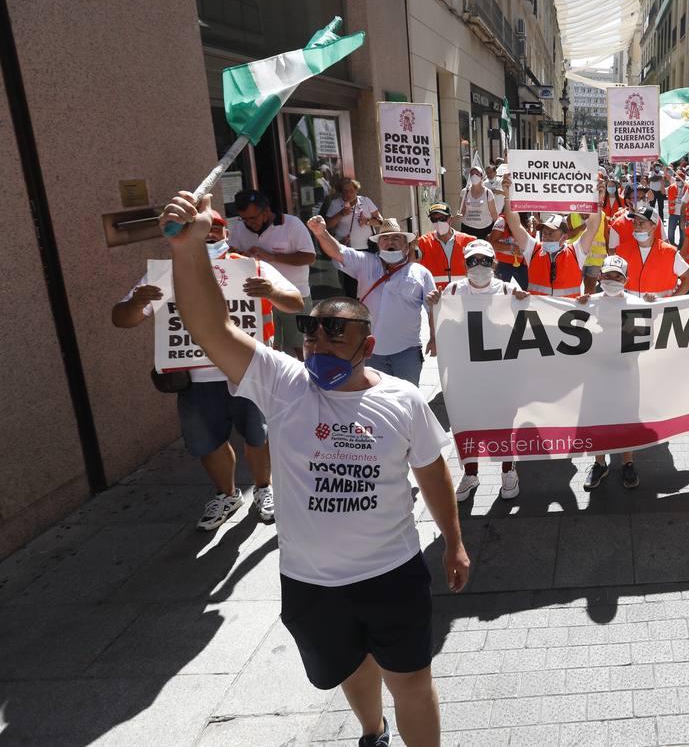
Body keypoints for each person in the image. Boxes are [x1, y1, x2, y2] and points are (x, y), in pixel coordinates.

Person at [160, 190, 470, 747]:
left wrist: (453, 541)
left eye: (336, 333)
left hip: (392, 576)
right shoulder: (282, 383)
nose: (319, 341)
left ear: (365, 345)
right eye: (313, 332)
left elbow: (431, 471)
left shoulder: (402, 400)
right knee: (351, 671)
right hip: (311, 585)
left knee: (413, 681)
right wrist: (188, 251)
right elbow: (211, 330)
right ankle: (371, 732)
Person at [113, 210, 303, 530]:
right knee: (207, 443)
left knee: (258, 436)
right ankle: (227, 494)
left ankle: (263, 488)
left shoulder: (251, 267)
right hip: (195, 379)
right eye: (201, 230)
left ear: (226, 234)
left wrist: (271, 292)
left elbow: (295, 302)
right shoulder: (165, 275)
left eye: (215, 230)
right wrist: (136, 304)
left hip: (248, 372)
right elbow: (121, 318)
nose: (208, 236)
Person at [427, 239, 526, 503]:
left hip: (502, 371)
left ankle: (508, 470)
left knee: (505, 422)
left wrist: (522, 300)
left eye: (484, 261)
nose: (478, 266)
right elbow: (443, 324)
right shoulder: (453, 290)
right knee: (468, 421)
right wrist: (434, 305)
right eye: (472, 261)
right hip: (467, 372)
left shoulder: (507, 288)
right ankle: (471, 472)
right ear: (465, 264)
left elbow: (525, 320)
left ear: (493, 263)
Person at [308, 216, 435, 388]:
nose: (390, 241)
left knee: (408, 399)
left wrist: (434, 337)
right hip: (370, 352)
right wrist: (321, 232)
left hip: (407, 352)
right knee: (375, 398)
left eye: (396, 238)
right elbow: (338, 251)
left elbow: (432, 309)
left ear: (406, 246)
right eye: (385, 238)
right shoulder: (365, 262)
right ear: (378, 244)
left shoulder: (421, 273)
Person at [575, 254, 644, 490]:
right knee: (598, 417)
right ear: (600, 276)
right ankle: (599, 464)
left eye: (618, 276)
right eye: (608, 275)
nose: (612, 280)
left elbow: (651, 337)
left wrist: (654, 304)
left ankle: (627, 463)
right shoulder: (588, 302)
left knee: (626, 418)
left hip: (626, 375)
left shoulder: (638, 304)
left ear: (626, 278)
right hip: (596, 375)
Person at [230, 190, 316, 358]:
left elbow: (309, 256)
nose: (249, 223)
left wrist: (272, 257)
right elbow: (231, 255)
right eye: (244, 218)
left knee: (303, 347)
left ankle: (312, 381)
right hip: (261, 298)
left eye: (253, 218)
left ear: (267, 211)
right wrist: (242, 256)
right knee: (270, 349)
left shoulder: (291, 224)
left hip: (294, 295)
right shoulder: (239, 229)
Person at [505, 178, 603, 299]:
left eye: (551, 232)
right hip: (539, 314)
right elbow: (514, 225)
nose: (546, 236)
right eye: (545, 232)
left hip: (568, 314)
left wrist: (598, 202)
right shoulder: (533, 249)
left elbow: (592, 227)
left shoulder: (576, 251)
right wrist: (508, 197)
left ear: (564, 237)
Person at [616, 205, 689, 299]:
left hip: (660, 311)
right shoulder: (622, 251)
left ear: (653, 227)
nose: (637, 227)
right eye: (634, 223)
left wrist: (671, 302)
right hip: (630, 309)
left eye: (641, 223)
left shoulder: (669, 252)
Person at [324, 179, 381, 297]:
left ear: (356, 190)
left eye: (350, 191)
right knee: (350, 287)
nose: (347, 194)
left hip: (367, 249)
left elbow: (381, 222)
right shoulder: (336, 204)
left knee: (368, 284)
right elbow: (327, 224)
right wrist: (341, 214)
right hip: (347, 250)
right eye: (344, 191)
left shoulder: (365, 201)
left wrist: (367, 221)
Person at [414, 202, 476, 292]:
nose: (438, 222)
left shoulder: (469, 241)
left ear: (450, 219)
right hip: (435, 296)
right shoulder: (423, 242)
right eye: (434, 219)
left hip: (463, 294)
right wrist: (413, 247)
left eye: (442, 218)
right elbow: (414, 268)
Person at [456, 165, 502, 239]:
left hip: (485, 228)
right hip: (468, 228)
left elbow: (493, 212)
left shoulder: (488, 192)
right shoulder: (464, 192)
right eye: (472, 174)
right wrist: (459, 215)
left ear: (481, 176)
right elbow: (462, 210)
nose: (474, 176)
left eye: (477, 174)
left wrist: (498, 229)